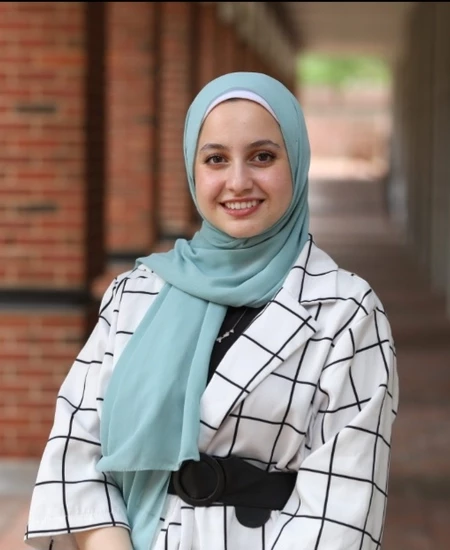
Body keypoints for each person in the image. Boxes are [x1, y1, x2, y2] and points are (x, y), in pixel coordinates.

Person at [24, 71, 399, 550]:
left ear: (297, 162)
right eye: (216, 159)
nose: (238, 181)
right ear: (192, 168)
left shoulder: (346, 312)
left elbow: (345, 509)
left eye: (263, 156)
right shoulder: (135, 293)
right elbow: (74, 448)